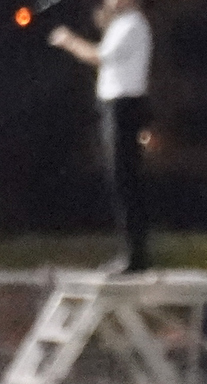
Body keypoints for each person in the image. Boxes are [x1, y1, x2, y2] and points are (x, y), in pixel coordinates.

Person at [49, 0, 152, 275]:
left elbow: (98, 56)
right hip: (116, 105)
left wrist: (68, 40)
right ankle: (131, 254)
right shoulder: (123, 24)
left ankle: (135, 257)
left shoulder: (133, 24)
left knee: (125, 181)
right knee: (120, 182)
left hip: (124, 106)